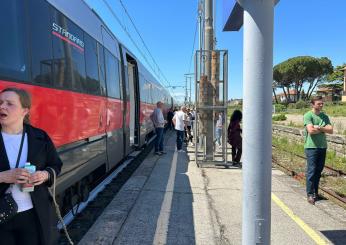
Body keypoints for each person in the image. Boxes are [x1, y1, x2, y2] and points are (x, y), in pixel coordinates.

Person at [0, 87, 63, 245]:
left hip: (33, 215)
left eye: (9, 103)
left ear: (24, 111)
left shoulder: (40, 137)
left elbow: (55, 165)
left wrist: (44, 175)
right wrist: (2, 176)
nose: (2, 106)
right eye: (0, 102)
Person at [303, 96, 333, 205]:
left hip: (322, 146)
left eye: (322, 103)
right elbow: (310, 131)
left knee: (318, 171)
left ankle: (315, 193)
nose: (321, 105)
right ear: (313, 104)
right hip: (311, 147)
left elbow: (331, 130)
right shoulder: (308, 115)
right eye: (319, 103)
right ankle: (310, 194)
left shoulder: (324, 116)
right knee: (311, 171)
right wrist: (323, 129)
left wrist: (319, 128)